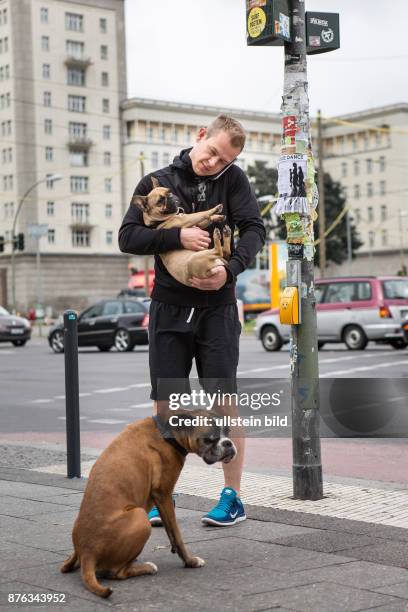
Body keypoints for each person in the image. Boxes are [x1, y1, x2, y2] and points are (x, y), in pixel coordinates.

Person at [119, 114, 265, 526]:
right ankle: (162, 496)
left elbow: (255, 228)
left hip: (217, 308)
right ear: (200, 136)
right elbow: (127, 237)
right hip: (169, 306)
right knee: (168, 406)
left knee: (223, 403)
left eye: (225, 161)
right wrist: (176, 237)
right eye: (212, 153)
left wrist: (231, 268)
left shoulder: (234, 181)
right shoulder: (156, 181)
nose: (215, 164)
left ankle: (232, 497)